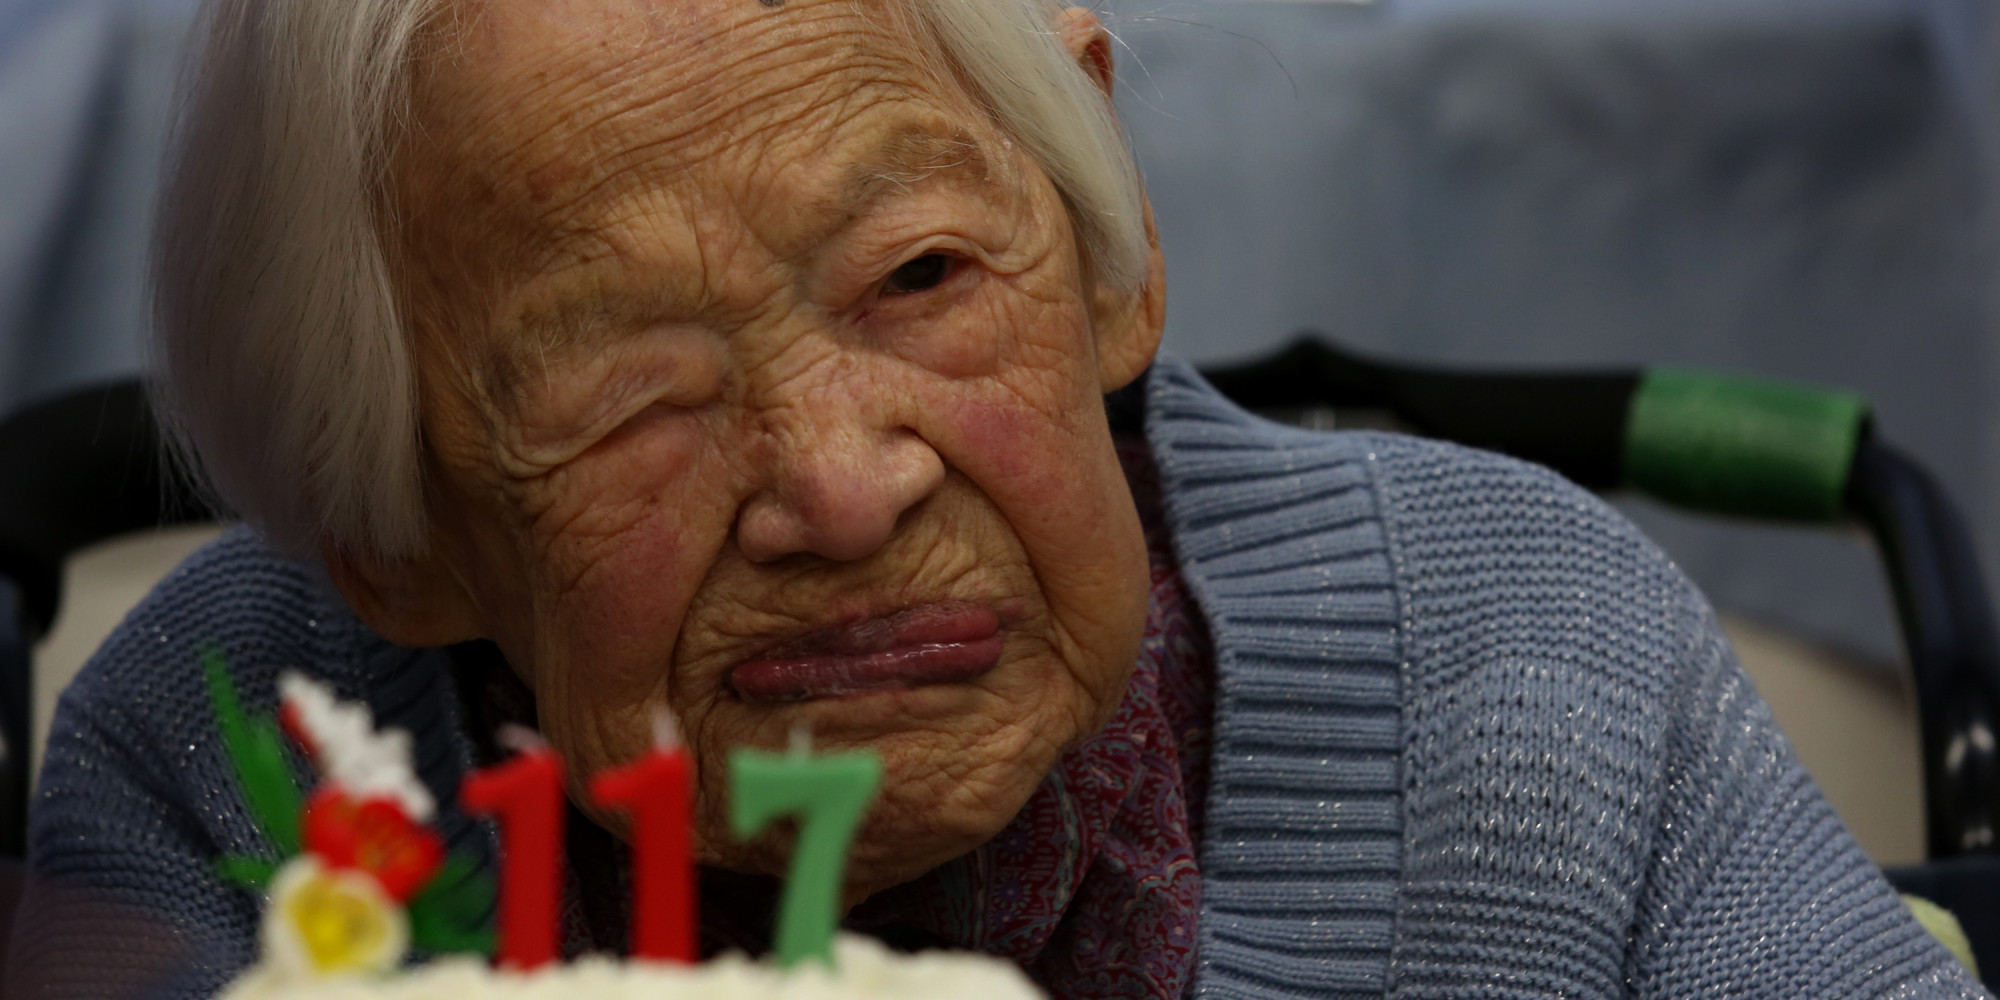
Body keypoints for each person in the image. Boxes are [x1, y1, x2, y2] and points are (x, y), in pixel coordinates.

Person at [7, 0, 1986, 997]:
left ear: (1108, 242)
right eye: (632, 394)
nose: (846, 485)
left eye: (925, 279)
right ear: (399, 530)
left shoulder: (1533, 664)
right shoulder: (231, 768)